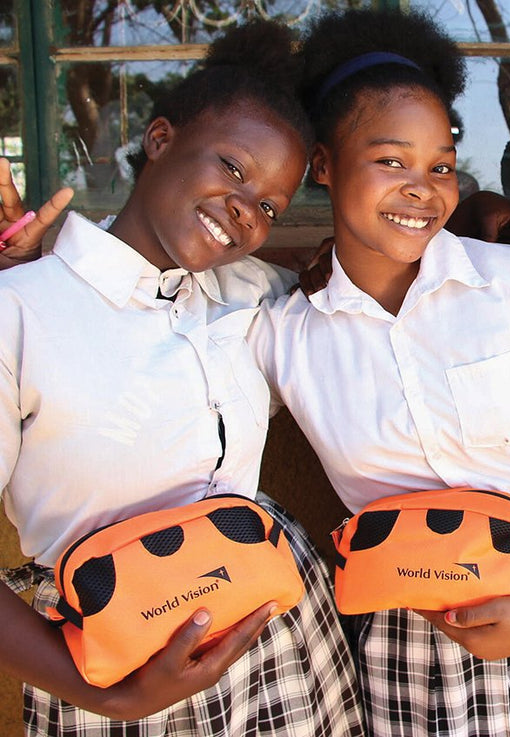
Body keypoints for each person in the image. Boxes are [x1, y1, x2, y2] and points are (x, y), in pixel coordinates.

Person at [249, 8, 510, 736]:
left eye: (442, 166)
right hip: (408, 638)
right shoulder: (282, 332)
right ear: (323, 164)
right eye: (391, 161)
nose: (421, 187)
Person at [0, 21, 365, 736]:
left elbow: (371, 290)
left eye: (269, 204)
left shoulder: (252, 290)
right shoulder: (20, 308)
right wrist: (107, 695)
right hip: (108, 657)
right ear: (161, 140)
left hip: (279, 633)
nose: (246, 208)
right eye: (233, 167)